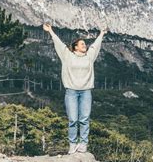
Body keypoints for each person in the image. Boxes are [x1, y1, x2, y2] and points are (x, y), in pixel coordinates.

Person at [42, 22, 108, 154]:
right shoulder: (67, 56)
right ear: (75, 47)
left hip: (86, 92)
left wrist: (101, 33)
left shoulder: (89, 57)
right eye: (82, 44)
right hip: (71, 92)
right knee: (73, 119)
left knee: (84, 119)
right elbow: (59, 44)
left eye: (85, 44)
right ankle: (72, 144)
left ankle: (83, 143)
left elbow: (96, 45)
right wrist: (50, 31)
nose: (85, 46)